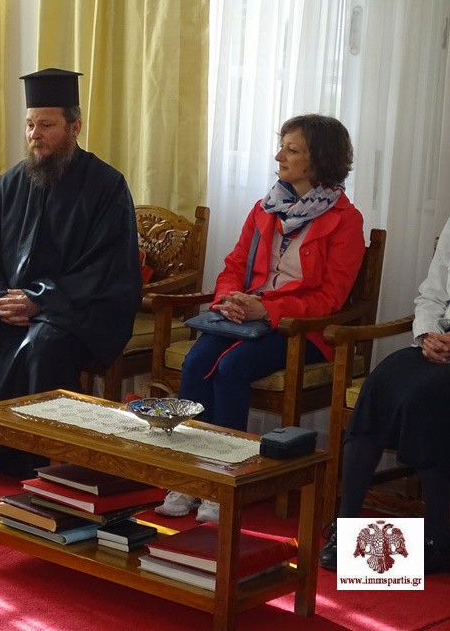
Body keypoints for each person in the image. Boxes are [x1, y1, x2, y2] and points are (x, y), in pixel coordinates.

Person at [0, 68, 143, 475]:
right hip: (5, 303)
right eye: (29, 125)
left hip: (72, 312)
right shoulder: (10, 183)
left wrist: (40, 300)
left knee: (43, 346)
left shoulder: (106, 187)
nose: (35, 135)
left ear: (74, 127)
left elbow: (107, 268)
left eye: (46, 125)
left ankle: (36, 456)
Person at [157, 114, 365, 523]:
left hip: (299, 331)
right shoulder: (265, 207)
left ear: (319, 159)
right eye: (281, 146)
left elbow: (331, 299)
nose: (278, 156)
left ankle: (226, 480)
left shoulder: (346, 220)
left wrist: (268, 310)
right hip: (244, 317)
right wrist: (228, 299)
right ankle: (190, 475)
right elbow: (234, 265)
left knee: (231, 368)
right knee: (196, 362)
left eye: (291, 149)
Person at [319, 214, 450, 574]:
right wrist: (427, 335)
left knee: (423, 397)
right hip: (438, 344)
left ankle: (438, 538)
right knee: (381, 383)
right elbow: (432, 293)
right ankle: (346, 528)